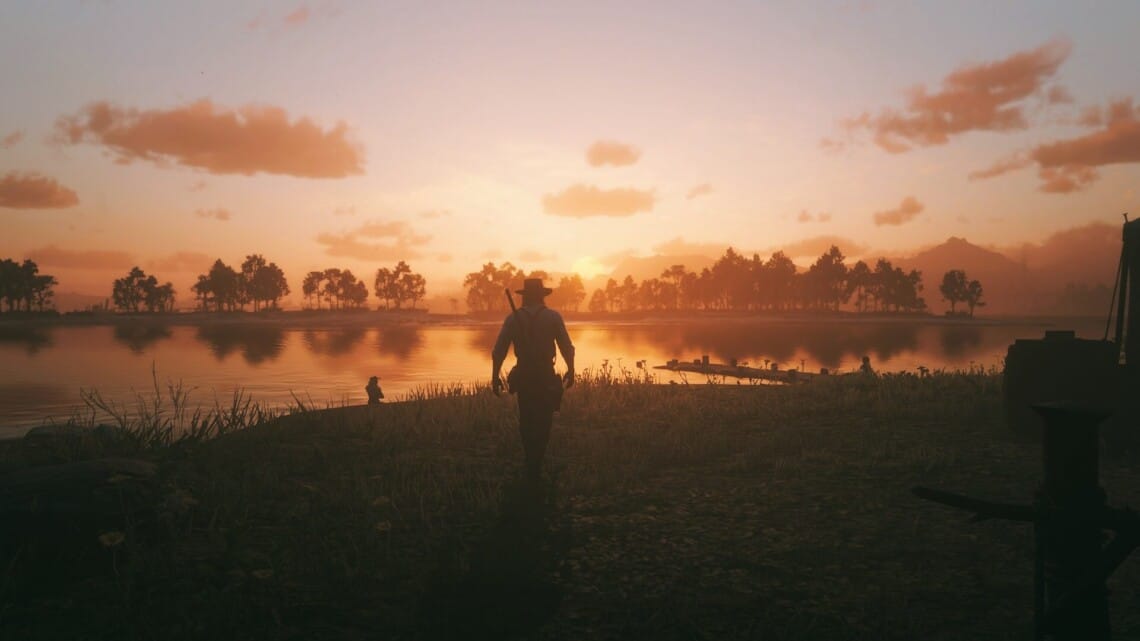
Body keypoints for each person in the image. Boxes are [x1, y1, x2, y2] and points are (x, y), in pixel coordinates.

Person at [492, 278, 575, 482]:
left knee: (527, 416)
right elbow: (567, 347)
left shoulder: (513, 319)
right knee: (544, 418)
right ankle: (536, 460)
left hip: (525, 374)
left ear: (525, 297)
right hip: (546, 373)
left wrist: (494, 376)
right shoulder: (553, 317)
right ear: (542, 296)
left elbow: (499, 351)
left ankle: (530, 459)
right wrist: (571, 370)